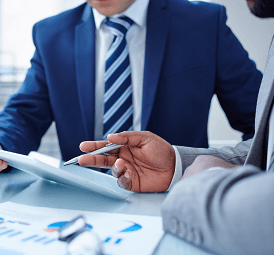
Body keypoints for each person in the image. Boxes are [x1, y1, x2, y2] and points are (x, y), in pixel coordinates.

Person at [0, 0, 262, 185]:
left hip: (178, 197)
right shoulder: (51, 33)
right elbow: (24, 113)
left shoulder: (203, 23)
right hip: (82, 201)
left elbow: (262, 120)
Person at [78, 1, 274, 253]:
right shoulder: (50, 31)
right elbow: (267, 145)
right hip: (88, 209)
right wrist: (178, 165)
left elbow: (254, 123)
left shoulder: (203, 21)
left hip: (180, 225)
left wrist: (194, 185)